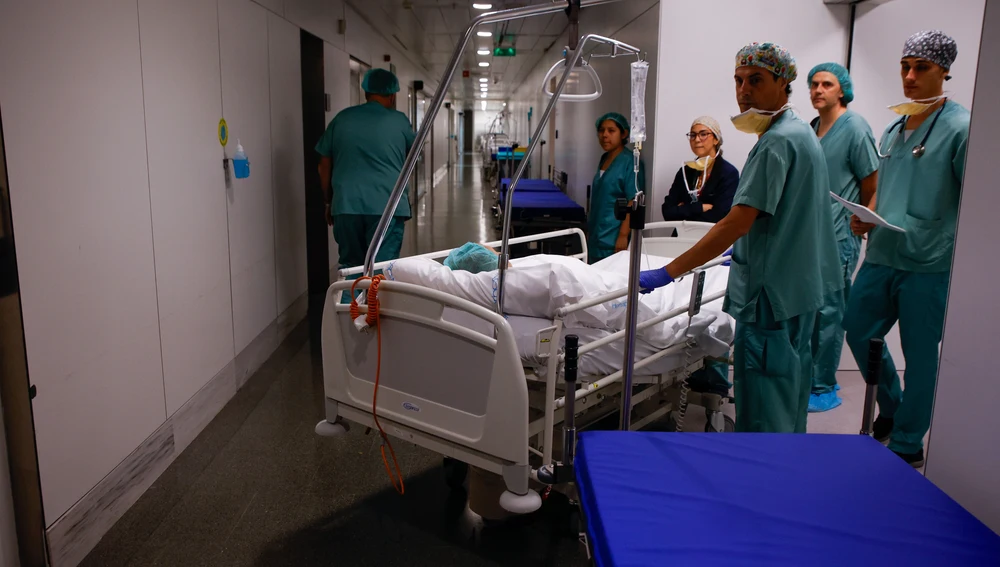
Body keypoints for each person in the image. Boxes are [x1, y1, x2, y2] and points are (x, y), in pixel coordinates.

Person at [638, 42, 842, 433]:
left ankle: (763, 488)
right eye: (738, 80)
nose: (743, 90)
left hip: (770, 299)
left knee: (764, 415)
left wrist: (669, 271)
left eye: (756, 80)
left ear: (783, 83)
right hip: (796, 293)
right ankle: (781, 478)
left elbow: (736, 222)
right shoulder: (801, 134)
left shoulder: (776, 143)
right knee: (787, 400)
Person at [843, 30, 969, 468]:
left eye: (921, 68)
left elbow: (974, 199)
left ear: (944, 71)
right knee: (857, 328)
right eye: (905, 67)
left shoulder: (962, 128)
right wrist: (866, 214)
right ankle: (893, 409)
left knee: (920, 354)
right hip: (882, 253)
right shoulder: (895, 127)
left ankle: (909, 439)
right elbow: (885, 186)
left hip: (929, 260)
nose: (910, 76)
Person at [806, 63, 880, 413]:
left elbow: (872, 183)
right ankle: (807, 377)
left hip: (839, 237)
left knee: (830, 313)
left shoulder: (855, 128)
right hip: (812, 237)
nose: (818, 89)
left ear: (842, 90)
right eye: (814, 84)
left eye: (826, 84)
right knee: (811, 310)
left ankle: (822, 385)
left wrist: (863, 220)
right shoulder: (812, 128)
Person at [315, 68, 415, 299]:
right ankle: (375, 325)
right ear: (392, 95)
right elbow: (411, 155)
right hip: (387, 208)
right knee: (381, 269)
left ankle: (348, 323)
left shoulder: (342, 119)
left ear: (366, 92)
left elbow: (323, 164)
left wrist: (329, 201)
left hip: (347, 205)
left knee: (351, 266)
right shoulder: (399, 121)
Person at [588, 112, 646, 264]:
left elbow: (633, 200)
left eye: (611, 131)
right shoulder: (604, 159)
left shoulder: (630, 162)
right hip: (597, 234)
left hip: (613, 237)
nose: (605, 135)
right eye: (601, 130)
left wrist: (623, 235)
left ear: (624, 133)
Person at [661, 116, 739, 224]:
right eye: (693, 135)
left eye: (703, 134)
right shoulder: (685, 172)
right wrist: (700, 207)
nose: (697, 139)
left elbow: (719, 215)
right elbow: (668, 212)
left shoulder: (728, 173)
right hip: (682, 236)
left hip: (711, 237)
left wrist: (684, 210)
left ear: (716, 139)